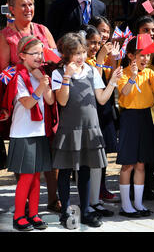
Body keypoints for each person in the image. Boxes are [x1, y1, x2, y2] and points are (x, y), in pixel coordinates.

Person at [51, 32, 122, 228]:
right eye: (76, 53)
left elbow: (101, 99)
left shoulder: (91, 71)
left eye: (83, 52)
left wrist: (113, 82)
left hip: (90, 129)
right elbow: (62, 100)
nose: (81, 56)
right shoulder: (58, 73)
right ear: (66, 54)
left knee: (85, 171)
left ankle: (86, 210)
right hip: (69, 130)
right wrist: (67, 76)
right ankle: (65, 211)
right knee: (65, 171)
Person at [0, 0, 61, 213]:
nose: (28, 8)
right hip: (22, 99)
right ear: (12, 9)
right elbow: (3, 70)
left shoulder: (42, 30)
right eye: (23, 5)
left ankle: (53, 198)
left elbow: (56, 60)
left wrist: (46, 63)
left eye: (31, 4)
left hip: (46, 95)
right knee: (26, 151)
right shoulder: (6, 35)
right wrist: (26, 72)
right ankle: (24, 201)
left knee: (50, 146)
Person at [1, 37, 57, 231]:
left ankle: (33, 213)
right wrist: (41, 85)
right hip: (22, 133)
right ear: (22, 55)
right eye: (34, 53)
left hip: (39, 132)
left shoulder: (40, 73)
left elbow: (49, 101)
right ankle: (18, 216)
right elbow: (27, 103)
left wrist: (44, 82)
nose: (39, 57)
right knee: (26, 177)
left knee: (36, 177)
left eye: (41, 53)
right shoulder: (18, 76)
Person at [116, 37, 154, 218]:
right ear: (131, 55)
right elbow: (124, 92)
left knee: (141, 164)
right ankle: (125, 205)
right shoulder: (122, 73)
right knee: (127, 164)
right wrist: (132, 77)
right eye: (141, 55)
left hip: (146, 117)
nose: (146, 59)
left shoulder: (151, 73)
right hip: (129, 118)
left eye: (148, 55)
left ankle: (138, 203)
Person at [82, 26, 118, 217]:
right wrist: (101, 58)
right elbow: (92, 79)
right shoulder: (81, 61)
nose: (96, 46)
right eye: (92, 42)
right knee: (85, 164)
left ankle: (95, 201)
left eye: (98, 42)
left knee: (98, 160)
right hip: (84, 115)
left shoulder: (95, 60)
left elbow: (103, 85)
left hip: (100, 113)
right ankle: (86, 202)